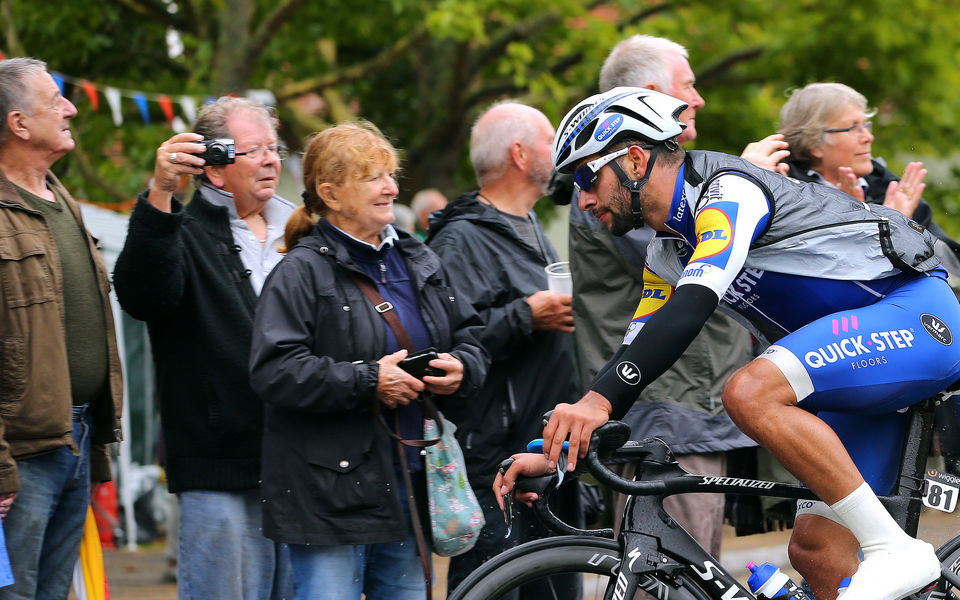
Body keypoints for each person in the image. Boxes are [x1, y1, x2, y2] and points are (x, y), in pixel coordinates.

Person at [499, 87, 960, 600]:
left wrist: (595, 403)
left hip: (916, 318)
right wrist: (562, 452)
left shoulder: (727, 192)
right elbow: (636, 355)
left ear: (634, 160)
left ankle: (896, 551)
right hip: (855, 374)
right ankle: (893, 554)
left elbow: (693, 304)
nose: (583, 200)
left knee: (749, 392)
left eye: (586, 178)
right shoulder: (665, 254)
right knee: (817, 552)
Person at [248, 121, 488, 600]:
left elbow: (471, 335)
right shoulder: (299, 271)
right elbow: (274, 371)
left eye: (390, 175)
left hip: (409, 483)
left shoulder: (418, 257)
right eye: (372, 177)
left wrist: (463, 367)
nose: (391, 188)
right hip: (328, 497)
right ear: (330, 194)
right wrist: (369, 380)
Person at [566, 33, 779, 558]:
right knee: (666, 576)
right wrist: (746, 179)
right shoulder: (618, 191)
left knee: (690, 573)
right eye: (689, 86)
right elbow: (693, 272)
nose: (699, 99)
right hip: (667, 411)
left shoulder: (674, 182)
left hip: (688, 405)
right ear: (654, 96)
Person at [113, 96, 294, 600]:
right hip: (220, 471)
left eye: (275, 149)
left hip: (302, 469)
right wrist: (161, 193)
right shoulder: (179, 231)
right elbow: (142, 297)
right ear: (214, 168)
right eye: (255, 150)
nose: (271, 161)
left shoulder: (303, 234)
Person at [427, 102, 581, 598]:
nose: (561, 151)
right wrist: (524, 316)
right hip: (495, 463)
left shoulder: (530, 225)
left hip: (545, 454)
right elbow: (448, 348)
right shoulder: (460, 239)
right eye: (550, 140)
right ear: (519, 153)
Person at [0, 57, 123, 598]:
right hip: (21, 457)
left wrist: (96, 445)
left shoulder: (61, 200)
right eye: (55, 100)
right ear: (19, 124)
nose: (71, 108)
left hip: (76, 439)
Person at [778, 82, 960, 272]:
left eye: (865, 126)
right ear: (813, 143)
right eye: (852, 128)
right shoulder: (788, 200)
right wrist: (860, 226)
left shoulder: (892, 190)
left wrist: (901, 228)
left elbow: (953, 271)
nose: (868, 137)